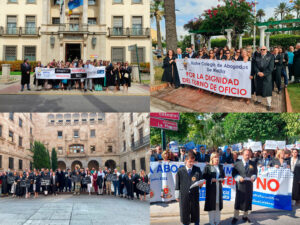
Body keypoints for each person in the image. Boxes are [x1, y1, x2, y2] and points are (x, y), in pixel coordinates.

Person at [175, 151, 203, 225]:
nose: (191, 163)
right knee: (184, 212)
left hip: (194, 195)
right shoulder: (180, 171)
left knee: (195, 212)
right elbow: (177, 184)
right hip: (184, 195)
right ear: (186, 160)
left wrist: (201, 184)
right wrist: (177, 195)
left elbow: (201, 181)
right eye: (190, 161)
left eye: (193, 162)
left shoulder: (197, 169)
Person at [232, 149, 258, 224]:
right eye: (246, 154)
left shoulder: (253, 163)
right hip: (240, 185)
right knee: (238, 201)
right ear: (242, 155)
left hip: (249, 185)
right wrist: (238, 178)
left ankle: (245, 216)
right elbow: (234, 173)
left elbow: (255, 173)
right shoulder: (237, 163)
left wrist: (254, 177)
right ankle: (235, 217)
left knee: (247, 200)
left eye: (249, 154)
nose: (247, 156)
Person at [203, 153, 225, 225]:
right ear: (212, 158)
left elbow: (223, 175)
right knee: (211, 206)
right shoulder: (208, 167)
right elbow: (204, 176)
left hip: (218, 188)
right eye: (215, 157)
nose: (217, 159)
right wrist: (210, 179)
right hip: (211, 189)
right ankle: (212, 222)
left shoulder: (221, 166)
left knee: (218, 205)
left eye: (218, 157)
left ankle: (217, 221)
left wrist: (222, 179)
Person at [253, 46, 275, 111]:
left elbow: (271, 67)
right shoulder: (257, 56)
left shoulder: (270, 56)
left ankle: (269, 104)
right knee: (258, 89)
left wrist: (264, 73)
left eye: (264, 49)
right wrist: (258, 72)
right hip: (258, 76)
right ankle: (259, 101)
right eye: (261, 49)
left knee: (267, 90)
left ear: (266, 50)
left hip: (267, 76)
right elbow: (255, 65)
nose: (262, 50)